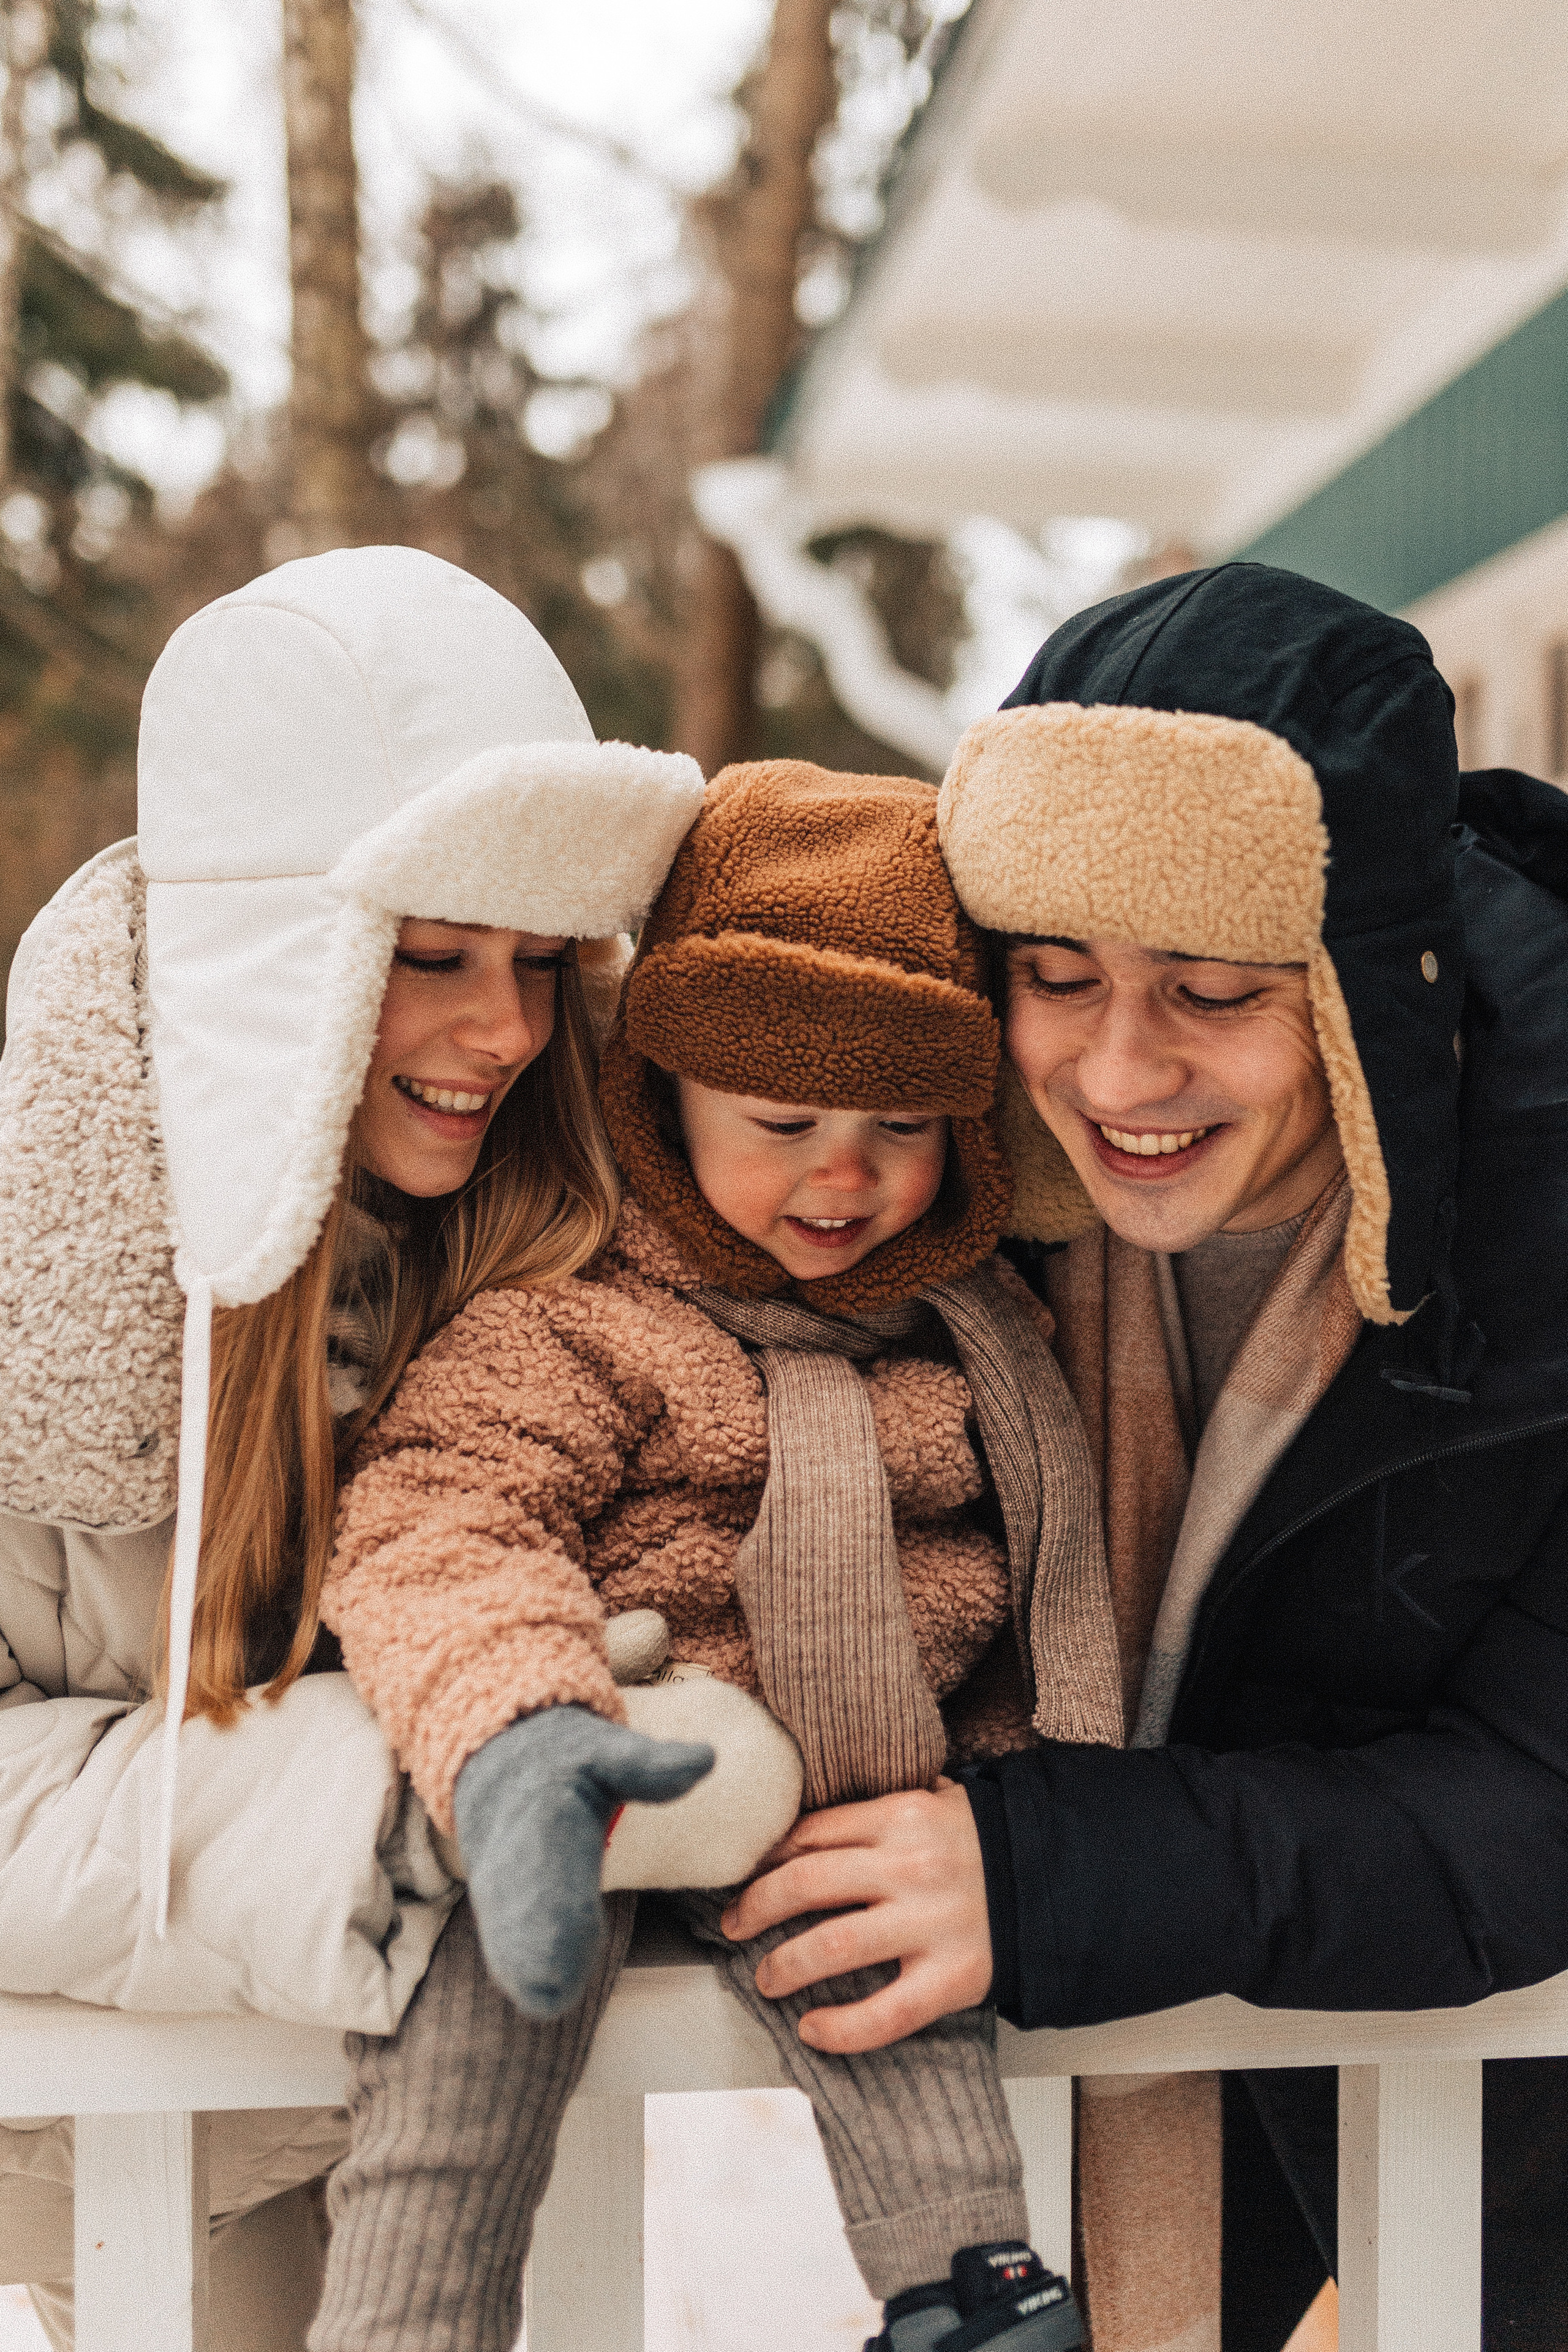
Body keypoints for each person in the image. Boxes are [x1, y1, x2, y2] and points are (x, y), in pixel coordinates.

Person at [722, 564, 1568, 2352]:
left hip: (1494, 2167)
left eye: (1210, 990)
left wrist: (1045, 1877)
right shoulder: (945, 1194)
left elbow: (1540, 1795)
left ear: (1365, 994)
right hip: (1175, 2126)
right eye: (1056, 975)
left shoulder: (1543, 1221)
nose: (1119, 1069)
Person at [0, 543, 706, 2350]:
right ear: (270, 960)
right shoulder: (38, 1272)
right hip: (121, 2147)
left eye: (544, 962)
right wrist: (406, 1793)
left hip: (420, 2116)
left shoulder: (536, 1252)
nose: (506, 1032)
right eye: (432, 957)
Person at [321, 758, 1104, 2352]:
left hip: (853, 1786)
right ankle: (408, 2320)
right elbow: (442, 1514)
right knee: (471, 2009)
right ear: (661, 1099)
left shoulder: (985, 1342)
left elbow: (1031, 1586)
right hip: (607, 1743)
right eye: (783, 1121)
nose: (847, 1173)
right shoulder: (580, 1317)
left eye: (903, 1124)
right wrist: (524, 1738)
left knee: (897, 1978)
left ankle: (968, 2293)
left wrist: (1029, 1785)